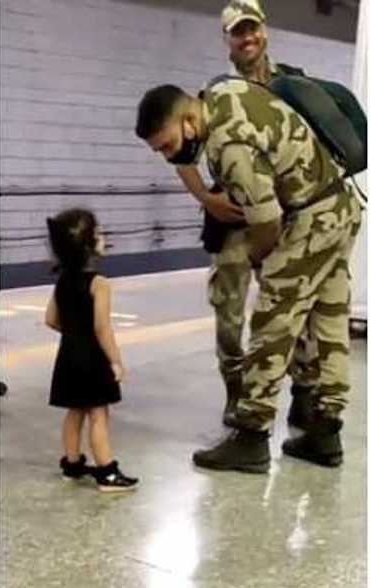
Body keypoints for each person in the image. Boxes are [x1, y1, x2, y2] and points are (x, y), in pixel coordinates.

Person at [136, 82, 362, 472]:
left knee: (272, 324)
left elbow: (266, 220)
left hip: (310, 219)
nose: (169, 156)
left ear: (188, 121)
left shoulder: (227, 145)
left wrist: (261, 257)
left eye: (168, 145)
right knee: (329, 319)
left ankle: (252, 435)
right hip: (339, 208)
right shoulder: (224, 93)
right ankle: (326, 431)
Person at [174, 0, 317, 429]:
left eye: (252, 29)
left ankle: (304, 392)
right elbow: (182, 153)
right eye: (238, 32)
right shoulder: (212, 93)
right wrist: (206, 198)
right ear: (227, 41)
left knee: (294, 312)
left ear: (265, 31)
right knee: (229, 316)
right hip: (233, 222)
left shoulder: (293, 85)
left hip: (288, 220)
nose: (247, 38)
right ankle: (237, 395)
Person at [44, 209, 138, 493]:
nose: (103, 237)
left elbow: (50, 319)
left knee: (74, 412)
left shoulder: (62, 280)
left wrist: (73, 334)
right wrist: (116, 361)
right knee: (99, 414)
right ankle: (106, 472)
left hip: (68, 355)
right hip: (92, 357)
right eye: (98, 233)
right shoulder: (99, 283)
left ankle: (72, 465)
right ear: (88, 244)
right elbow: (102, 328)